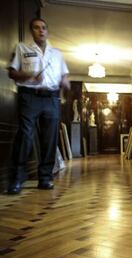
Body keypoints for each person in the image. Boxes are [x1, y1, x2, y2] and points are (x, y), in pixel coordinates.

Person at [7, 18, 70, 194]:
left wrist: (65, 81)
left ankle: (45, 178)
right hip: (29, 97)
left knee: (49, 139)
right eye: (36, 28)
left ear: (47, 31)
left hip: (51, 98)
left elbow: (64, 75)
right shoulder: (22, 48)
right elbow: (12, 73)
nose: (40, 31)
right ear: (32, 31)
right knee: (25, 135)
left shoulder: (57, 54)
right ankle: (17, 179)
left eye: (43, 28)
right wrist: (28, 75)